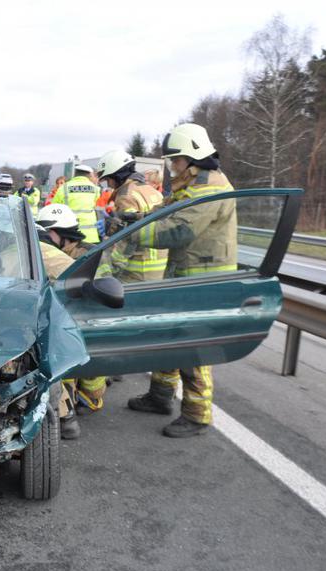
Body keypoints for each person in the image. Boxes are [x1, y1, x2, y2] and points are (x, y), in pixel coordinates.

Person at [126, 123, 236, 438]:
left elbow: (179, 230)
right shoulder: (191, 182)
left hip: (203, 282)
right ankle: (160, 396)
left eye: (176, 159)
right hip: (183, 276)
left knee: (193, 348)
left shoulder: (211, 187)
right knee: (170, 337)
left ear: (193, 156)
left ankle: (197, 416)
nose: (173, 165)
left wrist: (133, 233)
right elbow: (166, 212)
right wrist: (136, 218)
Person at [32, 204, 89, 439]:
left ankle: (67, 415)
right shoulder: (55, 251)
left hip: (67, 318)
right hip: (66, 316)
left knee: (49, 362)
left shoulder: (42, 251)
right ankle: (69, 414)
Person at [95, 149, 167, 282]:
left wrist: (112, 268)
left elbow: (129, 235)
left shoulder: (125, 196)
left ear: (117, 175)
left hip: (137, 269)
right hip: (160, 265)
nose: (108, 185)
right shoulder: (152, 190)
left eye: (108, 179)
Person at [50, 164, 101, 243]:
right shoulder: (96, 189)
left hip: (70, 237)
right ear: (89, 175)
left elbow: (53, 210)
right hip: (91, 236)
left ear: (75, 174)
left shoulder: (63, 188)